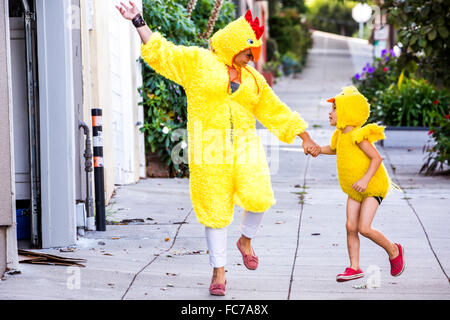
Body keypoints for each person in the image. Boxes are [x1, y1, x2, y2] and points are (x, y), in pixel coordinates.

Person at [116, 2, 320, 295]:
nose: (250, 59)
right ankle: (219, 272)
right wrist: (138, 20)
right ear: (233, 44)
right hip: (209, 149)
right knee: (215, 211)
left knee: (259, 197)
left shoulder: (253, 79)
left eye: (253, 54)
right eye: (247, 52)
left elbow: (275, 110)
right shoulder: (199, 62)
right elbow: (164, 54)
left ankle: (245, 240)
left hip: (246, 148)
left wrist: (304, 136)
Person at [318, 86, 405, 282]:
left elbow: (377, 158)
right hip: (355, 188)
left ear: (347, 111)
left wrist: (365, 180)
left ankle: (393, 250)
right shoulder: (340, 136)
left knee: (364, 228)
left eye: (334, 108)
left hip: (372, 185)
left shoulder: (359, 136)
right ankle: (354, 267)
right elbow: (334, 150)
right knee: (350, 226)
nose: (330, 113)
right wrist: (317, 149)